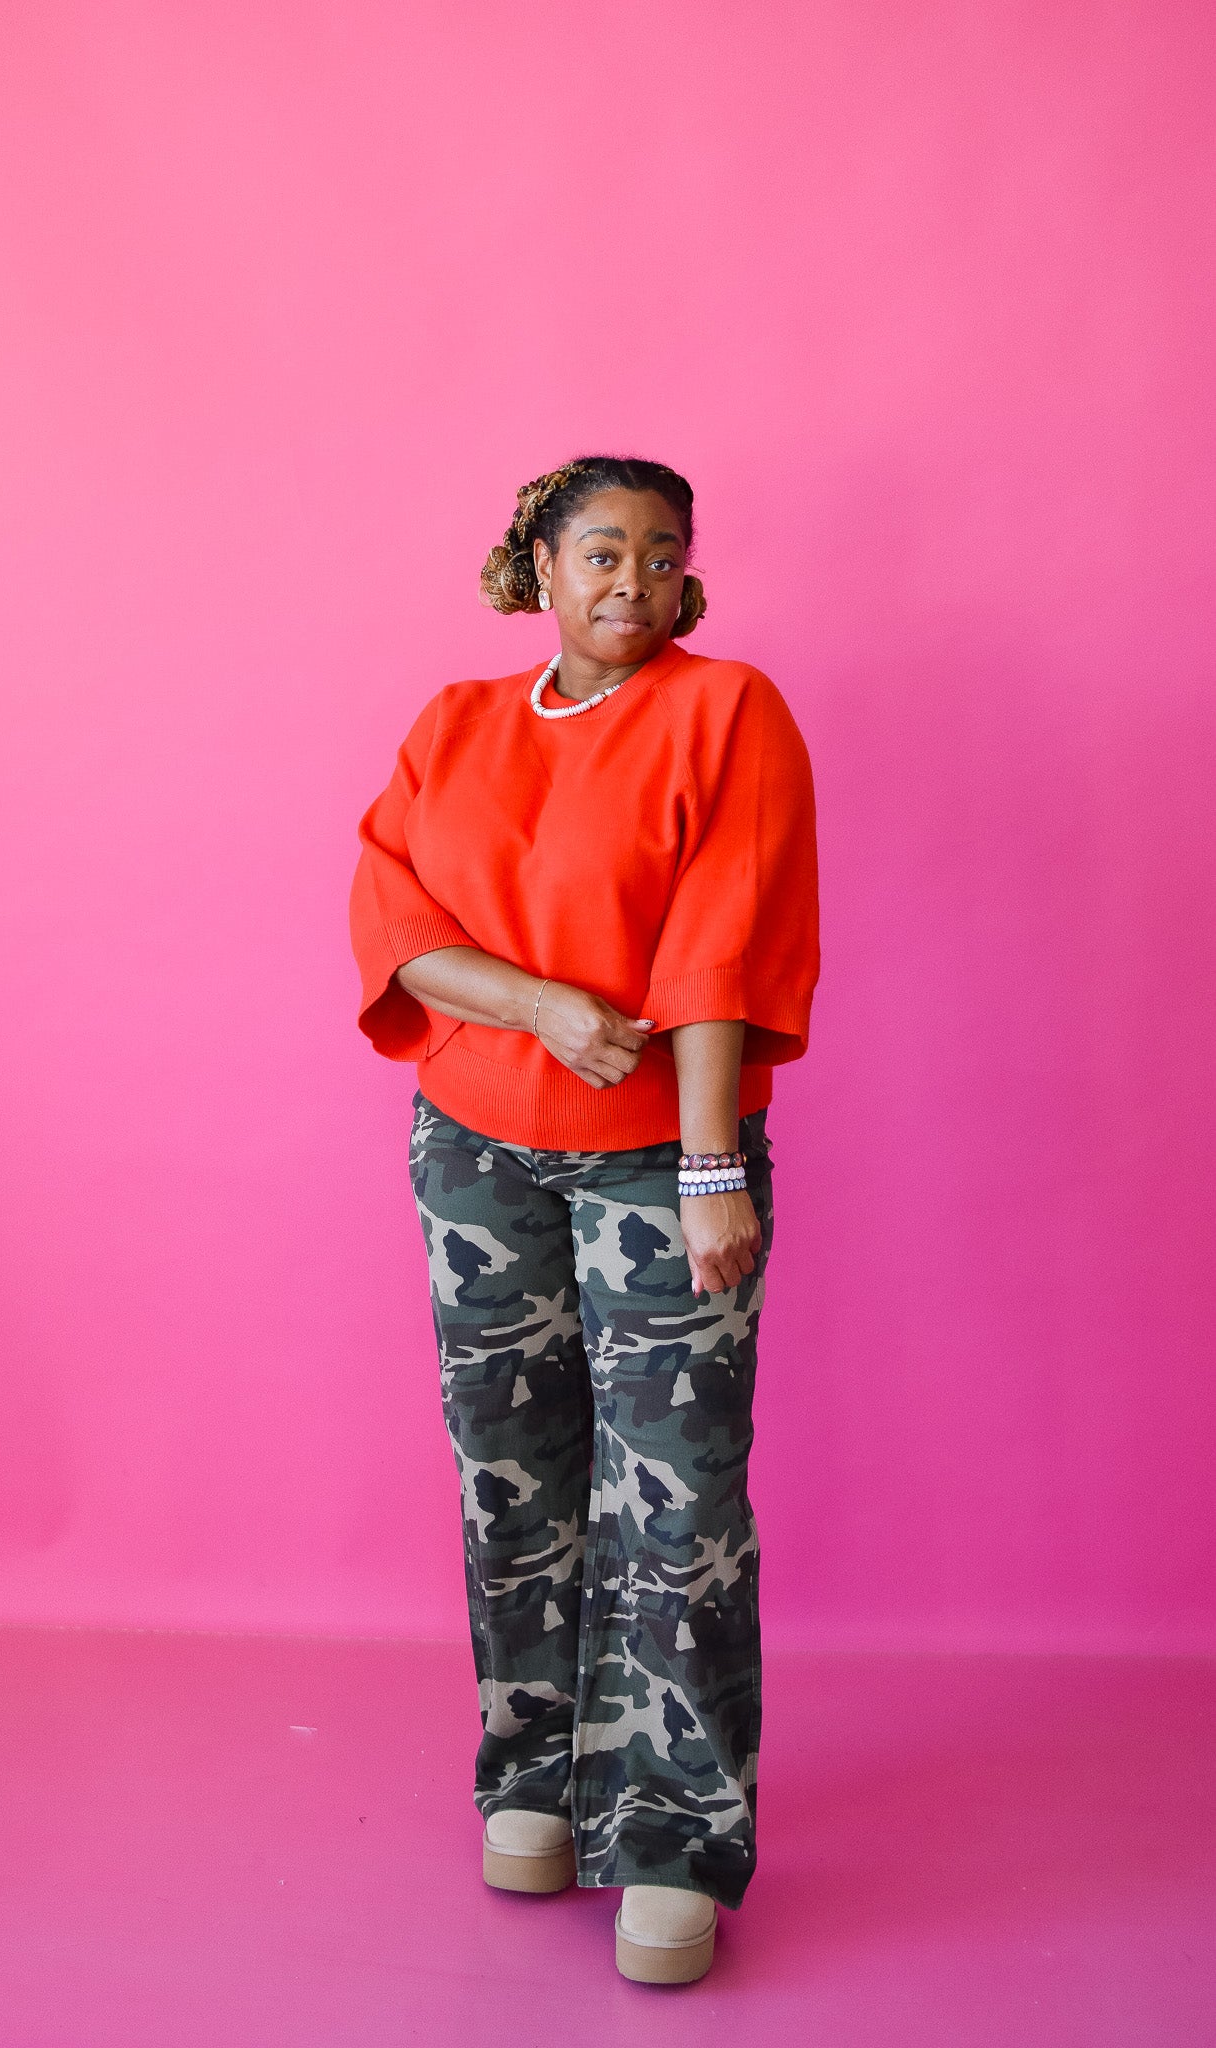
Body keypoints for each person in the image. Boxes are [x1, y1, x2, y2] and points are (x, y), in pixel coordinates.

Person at [349, 455, 819, 1984]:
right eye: (601, 550)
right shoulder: (456, 723)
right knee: (511, 1471)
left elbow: (722, 941)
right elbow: (395, 921)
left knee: (675, 1497)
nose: (632, 578)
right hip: (475, 1146)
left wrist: (707, 1166)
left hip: (655, 1157)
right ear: (538, 568)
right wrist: (540, 1004)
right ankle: (534, 1779)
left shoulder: (725, 707)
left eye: (660, 553)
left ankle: (671, 1838)